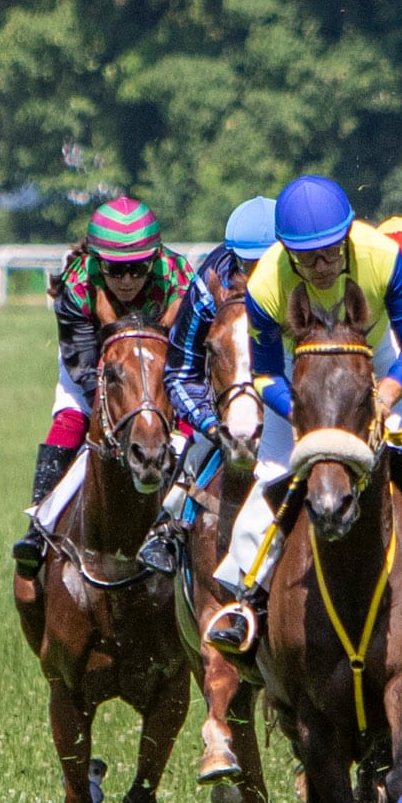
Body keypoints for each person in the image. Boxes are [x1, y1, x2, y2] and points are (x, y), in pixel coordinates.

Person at [202, 176, 402, 654]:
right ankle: (244, 600)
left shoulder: (382, 257)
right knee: (270, 478)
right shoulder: (266, 283)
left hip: (377, 362)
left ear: (348, 238)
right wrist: (305, 417)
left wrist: (389, 393)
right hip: (300, 370)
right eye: (307, 258)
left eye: (331, 252)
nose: (322, 266)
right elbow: (266, 375)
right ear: (286, 252)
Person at [15, 196, 189, 578]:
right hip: (95, 366)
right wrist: (119, 416)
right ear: (97, 260)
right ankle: (38, 528)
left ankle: (186, 522)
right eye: (115, 269)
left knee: (188, 426)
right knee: (69, 421)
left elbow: (185, 352)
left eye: (138, 268)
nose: (127, 281)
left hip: (161, 366)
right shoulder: (76, 286)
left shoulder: (179, 278)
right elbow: (80, 363)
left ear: (155, 258)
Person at [135, 194, 278, 573]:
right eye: (248, 262)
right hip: (225, 401)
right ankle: (168, 527)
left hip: (288, 398)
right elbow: (181, 372)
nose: (256, 271)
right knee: (197, 449)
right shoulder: (206, 285)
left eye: (265, 262)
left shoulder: (302, 281)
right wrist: (210, 424)